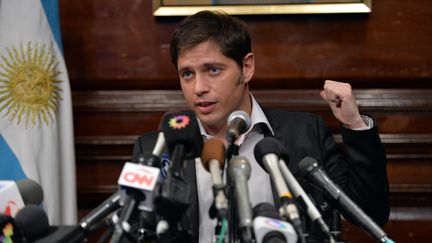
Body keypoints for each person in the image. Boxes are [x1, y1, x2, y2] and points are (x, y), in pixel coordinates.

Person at [132, 10, 389, 243]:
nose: (198, 88)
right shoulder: (157, 148)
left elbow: (369, 214)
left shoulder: (304, 133)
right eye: (187, 73)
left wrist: (355, 125)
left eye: (212, 69)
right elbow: (133, 231)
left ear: (246, 67)